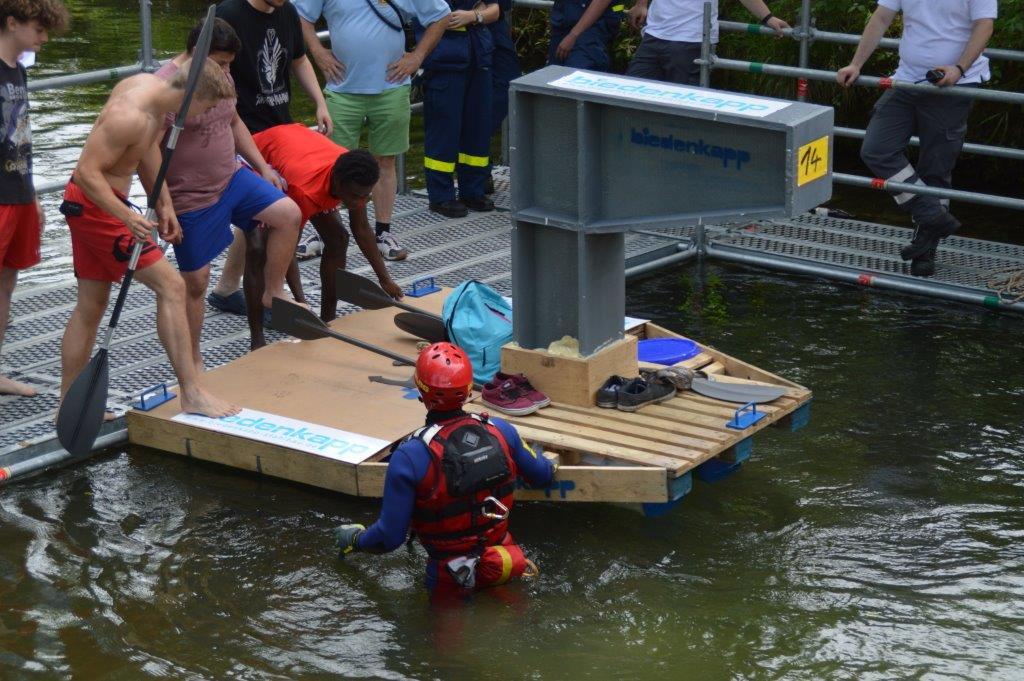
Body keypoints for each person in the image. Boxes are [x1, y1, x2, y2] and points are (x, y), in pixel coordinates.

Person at [59, 59, 241, 418]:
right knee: (172, 286)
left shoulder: (151, 94)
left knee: (91, 306)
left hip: (95, 205)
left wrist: (164, 202)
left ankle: (69, 406)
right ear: (191, 95)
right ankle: (192, 393)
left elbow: (146, 149)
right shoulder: (130, 116)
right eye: (206, 107)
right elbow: (85, 173)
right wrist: (127, 216)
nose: (204, 115)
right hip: (99, 209)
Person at [335, 342, 556, 594]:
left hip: (450, 578)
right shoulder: (502, 431)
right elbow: (543, 474)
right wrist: (548, 461)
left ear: (420, 390)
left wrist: (355, 540)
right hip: (505, 564)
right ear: (469, 388)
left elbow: (390, 537)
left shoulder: (409, 456)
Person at [156, 18, 303, 369]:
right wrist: (163, 204)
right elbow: (147, 153)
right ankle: (192, 361)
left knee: (288, 214)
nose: (226, 72)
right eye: (220, 63)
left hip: (231, 177)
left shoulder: (221, 73)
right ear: (196, 53)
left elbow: (234, 121)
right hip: (189, 195)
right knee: (196, 282)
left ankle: (272, 292)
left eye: (229, 65)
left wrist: (262, 167)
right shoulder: (164, 88)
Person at [837, 1, 996, 278]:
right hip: (906, 81)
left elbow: (984, 25)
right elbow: (881, 18)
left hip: (955, 85)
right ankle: (933, 216)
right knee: (876, 149)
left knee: (936, 167)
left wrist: (958, 69)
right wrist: (856, 63)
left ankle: (925, 251)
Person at [295, 0, 450, 262]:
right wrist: (317, 51)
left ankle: (383, 233)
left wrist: (417, 56)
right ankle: (324, 233)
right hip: (341, 87)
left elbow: (441, 15)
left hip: (392, 86)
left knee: (385, 160)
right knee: (331, 164)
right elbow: (300, 14)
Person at [206, 0, 334, 316]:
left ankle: (228, 288)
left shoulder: (287, 12)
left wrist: (320, 102)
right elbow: (211, 69)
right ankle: (270, 294)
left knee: (262, 212)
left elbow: (299, 59)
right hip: (244, 128)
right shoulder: (229, 14)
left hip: (280, 126)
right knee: (268, 213)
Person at [247, 122, 404, 347]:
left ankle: (328, 320)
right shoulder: (304, 192)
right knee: (257, 250)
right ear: (338, 183)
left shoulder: (356, 176)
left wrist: (385, 280)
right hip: (258, 158)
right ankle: (257, 339)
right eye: (355, 196)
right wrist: (301, 305)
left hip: (300, 152)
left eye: (365, 196)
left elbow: (361, 229)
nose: (359, 202)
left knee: (338, 239)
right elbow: (286, 252)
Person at [0, 0, 66, 397]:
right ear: (12, 22)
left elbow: (21, 136)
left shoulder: (18, 70)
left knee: (7, 283)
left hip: (18, 191)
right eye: (39, 30)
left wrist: (33, 193)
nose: (44, 38)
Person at [420, 0, 500, 218]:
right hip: (444, 61)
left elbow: (494, 10)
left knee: (477, 129)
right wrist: (477, 11)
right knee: (443, 131)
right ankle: (440, 196)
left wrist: (473, 16)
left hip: (479, 57)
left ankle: (473, 190)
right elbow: (440, 16)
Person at [626, 0, 788, 85]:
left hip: (692, 41)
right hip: (654, 35)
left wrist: (768, 17)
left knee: (682, 109)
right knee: (631, 95)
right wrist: (641, 4)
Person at [483, 0, 519, 195]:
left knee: (506, 86)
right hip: (471, 28)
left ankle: (478, 168)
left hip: (494, 28)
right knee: (473, 98)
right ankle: (478, 172)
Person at [548, 0, 624, 73]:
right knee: (554, 74)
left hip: (592, 31)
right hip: (564, 23)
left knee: (575, 72)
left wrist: (573, 35)